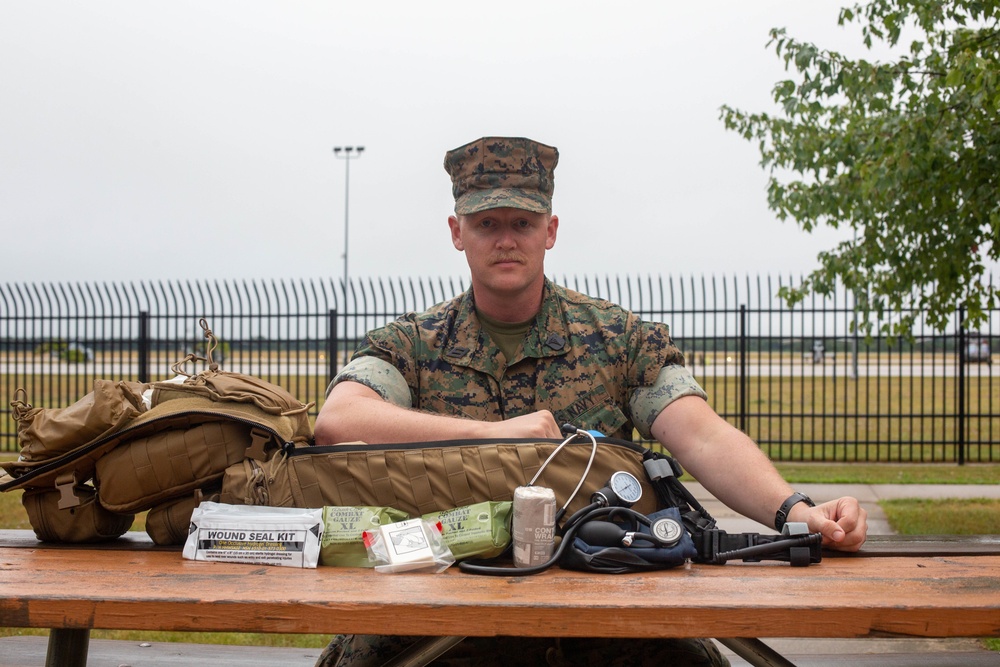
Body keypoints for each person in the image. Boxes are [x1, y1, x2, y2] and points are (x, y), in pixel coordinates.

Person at [313, 136, 868, 667]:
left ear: (550, 231)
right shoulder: (414, 343)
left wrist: (797, 512)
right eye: (486, 224)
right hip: (445, 620)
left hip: (606, 619)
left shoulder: (616, 339)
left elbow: (701, 435)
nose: (506, 239)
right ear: (458, 233)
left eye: (523, 223)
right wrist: (497, 436)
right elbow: (338, 419)